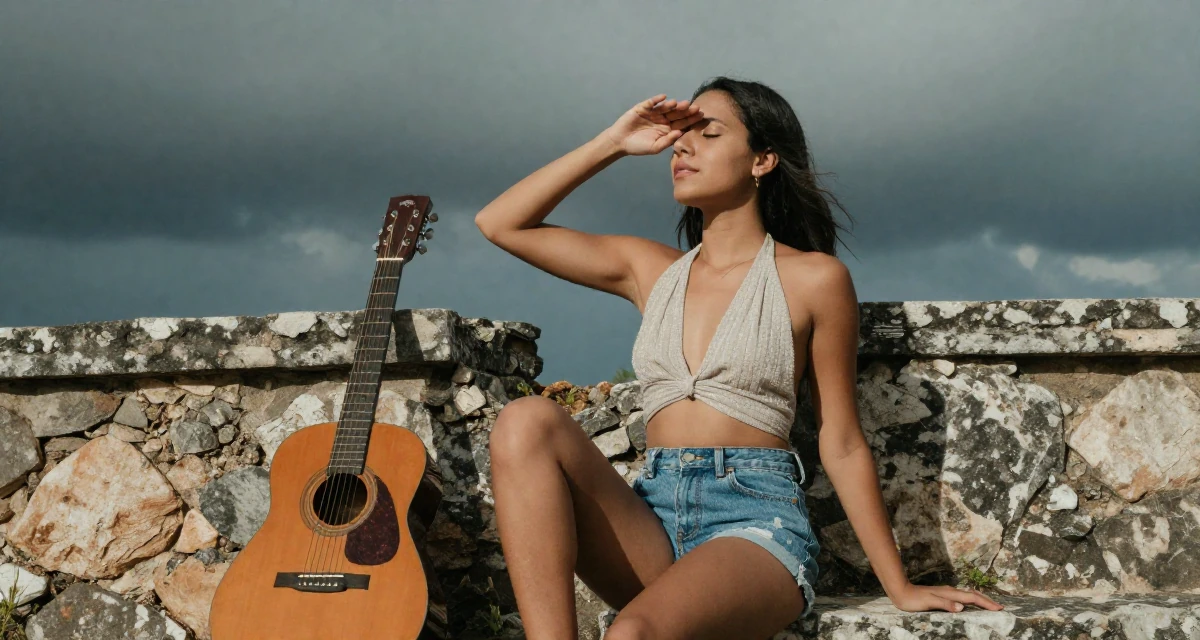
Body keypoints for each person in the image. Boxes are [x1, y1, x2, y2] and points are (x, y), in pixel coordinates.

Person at [475, 76, 1004, 640]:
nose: (682, 146)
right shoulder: (649, 271)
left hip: (755, 524)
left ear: (763, 159)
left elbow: (841, 439)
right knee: (525, 420)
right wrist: (614, 141)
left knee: (631, 635)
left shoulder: (814, 279)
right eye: (680, 135)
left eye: (708, 133)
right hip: (650, 519)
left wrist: (897, 585)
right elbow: (500, 222)